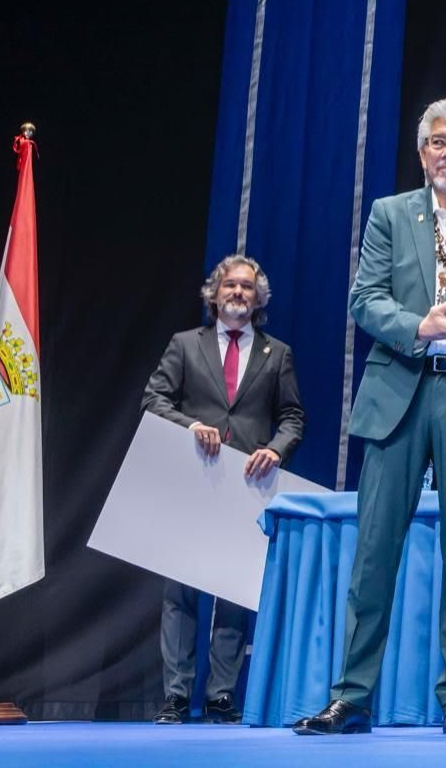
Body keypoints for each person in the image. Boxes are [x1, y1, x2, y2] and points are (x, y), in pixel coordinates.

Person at [295, 96, 446, 737]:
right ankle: (351, 698)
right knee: (374, 552)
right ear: (423, 152)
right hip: (400, 391)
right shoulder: (390, 214)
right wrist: (418, 326)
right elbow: (363, 299)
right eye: (438, 141)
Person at [143, 254, 305, 724]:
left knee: (233, 595)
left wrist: (276, 449)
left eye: (247, 288)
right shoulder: (184, 345)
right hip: (193, 481)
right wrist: (190, 424)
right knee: (182, 592)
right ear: (214, 294)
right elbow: (153, 399)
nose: (238, 293)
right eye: (230, 286)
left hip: (246, 486)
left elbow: (293, 417)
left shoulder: (278, 354)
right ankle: (175, 695)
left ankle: (220, 696)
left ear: (259, 300)